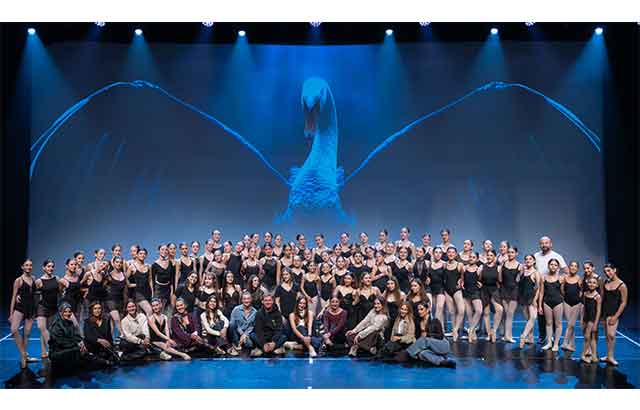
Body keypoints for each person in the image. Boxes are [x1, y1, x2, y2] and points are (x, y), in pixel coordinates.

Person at [48, 302, 112, 376]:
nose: (67, 314)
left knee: (83, 352)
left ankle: (101, 361)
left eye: (69, 312)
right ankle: (102, 362)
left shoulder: (70, 323)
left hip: (69, 348)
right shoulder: (56, 325)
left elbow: (75, 336)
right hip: (58, 351)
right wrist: (77, 345)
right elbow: (60, 342)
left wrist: (81, 342)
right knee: (80, 352)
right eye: (65, 312)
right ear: (60, 312)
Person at [533, 236, 568, 343]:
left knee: (554, 316)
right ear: (540, 244)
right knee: (541, 314)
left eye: (546, 243)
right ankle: (542, 336)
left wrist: (559, 280)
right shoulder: (536, 256)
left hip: (553, 288)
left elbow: (566, 271)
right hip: (540, 287)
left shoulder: (557, 256)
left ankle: (553, 336)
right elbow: (531, 268)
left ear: (551, 244)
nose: (544, 245)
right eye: (542, 243)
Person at [9, 259, 37, 368]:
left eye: (30, 265)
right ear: (22, 267)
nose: (29, 267)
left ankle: (24, 357)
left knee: (27, 334)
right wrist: (11, 314)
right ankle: (23, 354)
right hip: (20, 307)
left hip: (30, 308)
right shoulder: (18, 280)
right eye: (26, 265)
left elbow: (35, 293)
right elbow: (13, 296)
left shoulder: (34, 278)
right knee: (14, 329)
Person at [600, 263, 627, 366]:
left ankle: (611, 357)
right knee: (607, 335)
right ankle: (608, 356)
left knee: (611, 335)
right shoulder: (605, 282)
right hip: (605, 312)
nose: (607, 273)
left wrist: (616, 317)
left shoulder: (622, 285)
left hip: (614, 312)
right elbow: (602, 299)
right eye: (605, 271)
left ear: (614, 270)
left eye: (609, 270)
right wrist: (601, 314)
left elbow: (623, 302)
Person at [35, 259, 59, 359]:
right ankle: (53, 348)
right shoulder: (39, 281)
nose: (51, 268)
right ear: (44, 268)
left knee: (46, 330)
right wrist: (19, 295)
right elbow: (31, 292)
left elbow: (60, 292)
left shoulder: (56, 278)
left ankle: (44, 352)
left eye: (52, 266)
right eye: (48, 266)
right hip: (42, 307)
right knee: (42, 327)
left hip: (52, 307)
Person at [478, 250, 503, 343]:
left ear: (494, 257)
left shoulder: (498, 268)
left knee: (499, 309)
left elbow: (500, 280)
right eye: (488, 255)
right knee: (486, 312)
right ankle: (489, 334)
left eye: (491, 255)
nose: (489, 257)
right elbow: (479, 279)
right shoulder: (482, 267)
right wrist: (479, 283)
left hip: (494, 290)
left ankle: (494, 330)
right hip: (484, 290)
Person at [539, 259, 564, 352]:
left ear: (558, 267)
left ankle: (556, 344)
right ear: (548, 266)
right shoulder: (543, 277)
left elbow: (563, 292)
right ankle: (549, 343)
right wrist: (540, 306)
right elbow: (541, 292)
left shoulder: (561, 278)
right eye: (551, 264)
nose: (553, 266)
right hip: (547, 302)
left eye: (555, 265)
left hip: (558, 302)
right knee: (548, 323)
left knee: (558, 324)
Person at [518, 254, 541, 348]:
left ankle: (523, 335)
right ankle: (530, 338)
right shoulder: (523, 272)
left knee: (533, 318)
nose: (528, 260)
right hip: (523, 297)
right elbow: (517, 281)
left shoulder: (535, 273)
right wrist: (521, 272)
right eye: (526, 259)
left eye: (530, 259)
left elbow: (538, 288)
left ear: (534, 261)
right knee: (528, 319)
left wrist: (535, 300)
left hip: (531, 297)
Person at [500, 246, 522, 343]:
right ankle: (506, 335)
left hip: (514, 291)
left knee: (510, 313)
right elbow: (500, 279)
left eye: (512, 252)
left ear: (516, 254)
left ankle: (509, 336)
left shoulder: (520, 266)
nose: (510, 254)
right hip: (504, 290)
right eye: (509, 252)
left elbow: (520, 280)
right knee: (506, 313)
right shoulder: (503, 264)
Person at [442, 247, 464, 341]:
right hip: (447, 290)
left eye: (453, 252)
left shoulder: (460, 265)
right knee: (452, 312)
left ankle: (455, 329)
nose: (451, 254)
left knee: (461, 310)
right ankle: (454, 330)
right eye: (449, 252)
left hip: (456, 289)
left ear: (455, 254)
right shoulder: (444, 265)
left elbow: (463, 276)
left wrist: (461, 281)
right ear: (447, 254)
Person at [561, 261, 583, 352]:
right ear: (569, 267)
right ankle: (572, 345)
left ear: (577, 269)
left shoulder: (579, 278)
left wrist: (578, 300)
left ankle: (565, 342)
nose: (573, 267)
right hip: (567, 302)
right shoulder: (565, 278)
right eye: (572, 266)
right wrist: (566, 297)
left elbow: (581, 291)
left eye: (575, 266)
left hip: (576, 303)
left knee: (572, 324)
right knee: (570, 324)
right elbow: (562, 290)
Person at [461, 252, 482, 343]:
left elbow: (481, 280)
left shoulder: (479, 269)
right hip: (466, 292)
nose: (471, 258)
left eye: (473, 257)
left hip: (475, 292)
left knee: (478, 310)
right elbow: (462, 279)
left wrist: (481, 284)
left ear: (477, 259)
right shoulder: (464, 268)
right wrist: (461, 282)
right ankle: (473, 334)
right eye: (470, 257)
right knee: (469, 314)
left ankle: (471, 330)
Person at [126, 247, 153, 316]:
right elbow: (125, 279)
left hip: (148, 292)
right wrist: (131, 285)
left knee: (142, 314)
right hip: (138, 293)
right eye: (140, 253)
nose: (142, 255)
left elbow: (150, 280)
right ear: (137, 255)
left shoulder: (148, 266)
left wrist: (152, 292)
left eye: (144, 254)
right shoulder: (132, 267)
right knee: (149, 310)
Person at [580, 276, 601, 364]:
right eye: (590, 282)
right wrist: (582, 319)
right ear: (587, 283)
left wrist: (596, 323)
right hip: (586, 317)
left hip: (592, 319)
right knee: (588, 337)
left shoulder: (597, 296)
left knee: (588, 337)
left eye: (594, 283)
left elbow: (598, 311)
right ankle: (593, 356)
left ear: (597, 285)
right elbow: (584, 307)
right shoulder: (585, 294)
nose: (591, 284)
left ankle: (583, 355)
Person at [105, 256, 127, 337]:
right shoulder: (109, 275)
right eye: (117, 262)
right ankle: (123, 335)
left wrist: (125, 303)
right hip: (110, 300)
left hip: (120, 300)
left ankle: (110, 339)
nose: (119, 264)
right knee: (117, 320)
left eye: (120, 262)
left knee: (113, 322)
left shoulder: (124, 275)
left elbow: (125, 290)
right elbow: (102, 286)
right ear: (113, 263)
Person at [428, 247, 446, 326]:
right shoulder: (429, 264)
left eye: (440, 252)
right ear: (433, 254)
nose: (438, 254)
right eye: (436, 252)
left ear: (442, 254)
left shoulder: (444, 264)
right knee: (434, 309)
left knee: (440, 307)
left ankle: (435, 327)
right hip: (431, 288)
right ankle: (441, 328)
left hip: (441, 288)